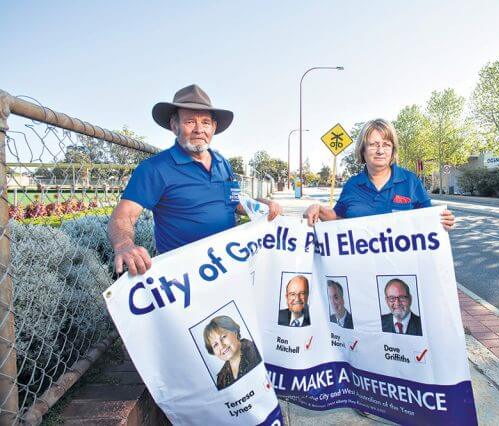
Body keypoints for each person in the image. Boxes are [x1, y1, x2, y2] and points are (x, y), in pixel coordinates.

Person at [108, 84, 282, 275]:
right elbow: (124, 216)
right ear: (174, 126)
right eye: (190, 121)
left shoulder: (222, 163)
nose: (199, 129)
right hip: (183, 279)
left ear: (214, 127)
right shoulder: (154, 169)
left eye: (206, 122)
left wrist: (261, 204)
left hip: (229, 268)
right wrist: (124, 245)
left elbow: (233, 203)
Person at [304, 118, 454, 228]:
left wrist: (444, 222)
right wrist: (319, 210)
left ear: (393, 150)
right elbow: (338, 218)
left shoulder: (410, 181)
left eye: (386, 145)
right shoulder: (352, 185)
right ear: (362, 150)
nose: (380, 151)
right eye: (373, 145)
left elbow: (430, 220)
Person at [203, 315, 262, 390]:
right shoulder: (221, 378)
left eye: (223, 337)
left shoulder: (257, 351)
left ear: (235, 332)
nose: (221, 346)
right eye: (215, 345)